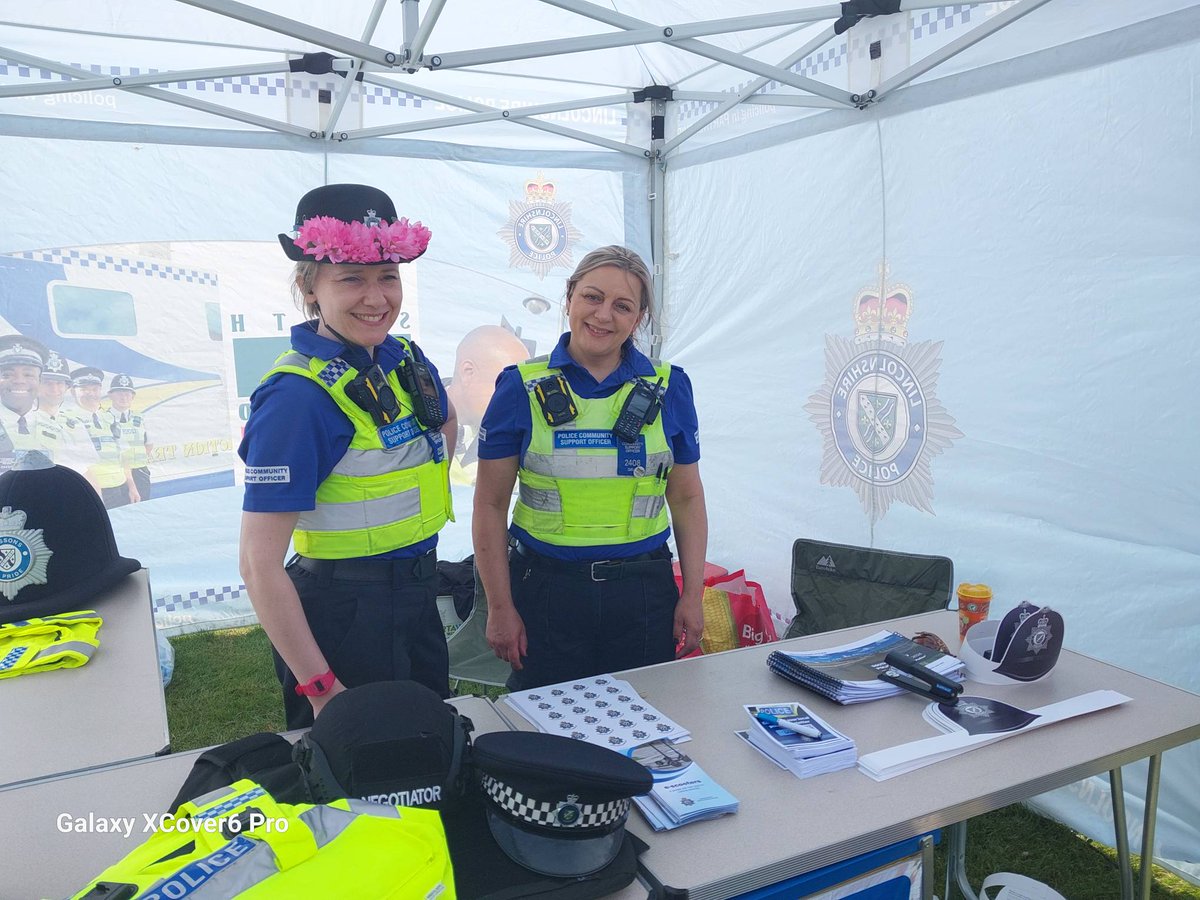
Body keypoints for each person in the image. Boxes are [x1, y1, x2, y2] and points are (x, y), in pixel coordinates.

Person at [239, 183, 457, 728]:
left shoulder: (401, 356)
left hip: (417, 594)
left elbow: (445, 423)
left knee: (429, 748)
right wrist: (320, 687)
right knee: (356, 771)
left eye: (388, 276)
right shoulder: (296, 397)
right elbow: (258, 564)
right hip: (343, 615)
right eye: (351, 278)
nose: (376, 298)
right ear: (309, 288)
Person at [473, 245, 708, 691]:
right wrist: (500, 607)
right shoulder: (519, 387)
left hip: (642, 592)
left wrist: (693, 595)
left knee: (642, 716)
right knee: (546, 723)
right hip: (547, 591)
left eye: (623, 306)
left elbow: (686, 497)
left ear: (639, 318)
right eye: (592, 297)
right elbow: (489, 504)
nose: (603, 315)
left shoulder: (670, 386)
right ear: (569, 297)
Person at [444, 325, 529, 486]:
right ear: (468, 372)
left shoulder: (519, 437)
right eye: (505, 387)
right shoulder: (410, 415)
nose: (517, 401)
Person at [71, 366, 139, 507]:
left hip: (118, 489)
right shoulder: (67, 421)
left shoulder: (110, 418)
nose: (91, 393)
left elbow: (124, 456)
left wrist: (132, 486)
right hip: (88, 491)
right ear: (73, 391)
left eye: (95, 389)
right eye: (84, 389)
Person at [107, 374, 154, 502]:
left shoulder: (140, 418)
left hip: (139, 474)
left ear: (133, 396)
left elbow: (149, 444)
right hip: (115, 475)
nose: (123, 397)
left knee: (142, 509)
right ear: (110, 395)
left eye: (127, 393)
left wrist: (136, 462)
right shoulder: (103, 419)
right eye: (119, 393)